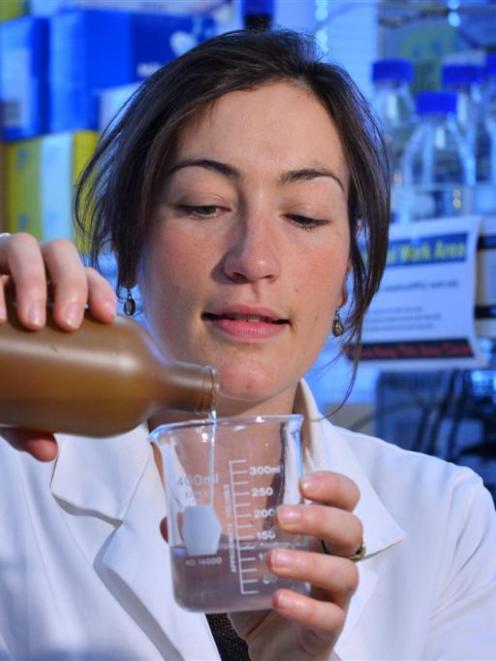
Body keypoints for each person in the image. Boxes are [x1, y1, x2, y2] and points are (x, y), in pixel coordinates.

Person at [0, 29, 495, 661]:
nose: (253, 260)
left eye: (306, 215)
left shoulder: (448, 520)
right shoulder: (15, 480)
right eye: (205, 206)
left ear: (347, 270)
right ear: (128, 246)